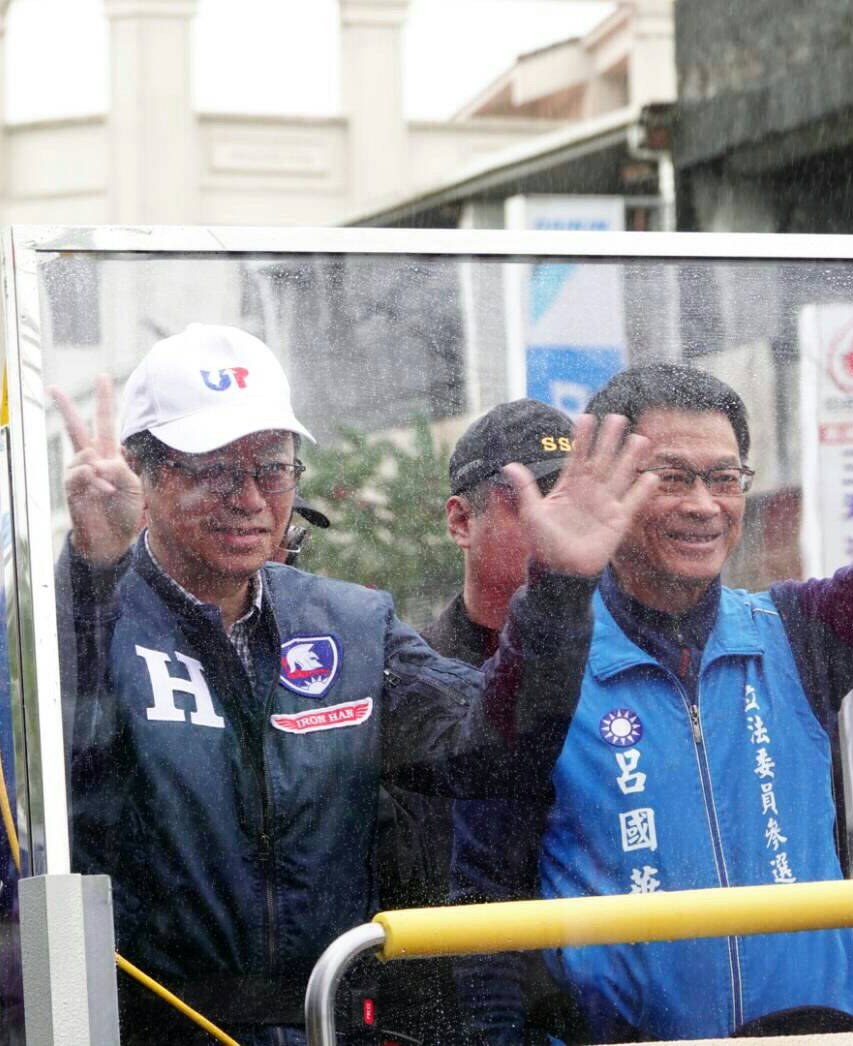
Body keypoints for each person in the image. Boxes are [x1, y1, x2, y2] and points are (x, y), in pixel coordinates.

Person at [453, 276, 853, 1042]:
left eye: (724, 478)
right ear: (610, 485)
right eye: (671, 477)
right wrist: (559, 586)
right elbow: (481, 902)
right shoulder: (546, 665)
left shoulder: (796, 634)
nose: (704, 505)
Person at [51, 324, 657, 1044]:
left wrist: (557, 591)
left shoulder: (351, 625)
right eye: (215, 470)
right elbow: (56, 772)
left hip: (329, 1021)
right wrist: (90, 574)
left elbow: (495, 752)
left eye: (272, 468)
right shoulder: (79, 611)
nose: (248, 497)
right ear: (143, 474)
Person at [375, 399, 575, 1045]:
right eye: (531, 497)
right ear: (460, 519)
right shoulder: (402, 682)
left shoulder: (631, 675)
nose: (558, 521)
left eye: (574, 496)